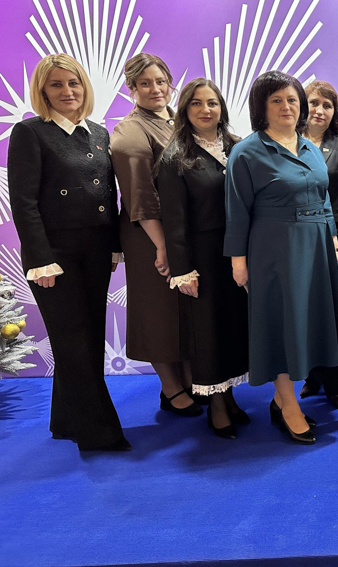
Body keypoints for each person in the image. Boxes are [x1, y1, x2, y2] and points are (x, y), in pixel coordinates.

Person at [8, 54, 129, 451]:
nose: (67, 91)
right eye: (56, 84)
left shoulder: (98, 133)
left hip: (95, 250)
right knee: (73, 339)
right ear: (42, 90)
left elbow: (108, 194)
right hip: (54, 254)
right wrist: (40, 258)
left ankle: (65, 420)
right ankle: (98, 433)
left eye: (73, 83)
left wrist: (114, 245)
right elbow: (23, 202)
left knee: (87, 337)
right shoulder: (31, 132)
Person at [224, 71, 338, 444]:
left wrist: (332, 239)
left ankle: (282, 401)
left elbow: (323, 199)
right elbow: (237, 211)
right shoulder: (246, 152)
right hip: (274, 251)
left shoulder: (310, 147)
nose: (286, 107)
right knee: (280, 327)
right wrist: (238, 261)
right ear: (261, 107)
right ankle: (289, 405)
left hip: (315, 248)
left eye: (292, 99)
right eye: (276, 100)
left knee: (304, 325)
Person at [156, 78, 250, 439]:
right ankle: (217, 406)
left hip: (238, 253)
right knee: (208, 332)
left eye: (212, 103)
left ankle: (231, 397)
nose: (205, 110)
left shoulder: (238, 147)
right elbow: (174, 221)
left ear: (222, 108)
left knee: (233, 327)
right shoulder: (175, 157)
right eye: (196, 103)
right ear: (184, 109)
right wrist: (183, 270)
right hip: (203, 257)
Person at [111, 53, 202, 418]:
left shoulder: (178, 120)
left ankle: (190, 377)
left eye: (161, 81)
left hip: (181, 230)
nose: (155, 89)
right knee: (158, 311)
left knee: (185, 309)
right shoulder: (131, 131)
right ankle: (170, 387)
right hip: (149, 233)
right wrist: (163, 245)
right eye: (145, 83)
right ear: (131, 88)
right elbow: (140, 195)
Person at [298, 81, 338, 412]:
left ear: (335, 111)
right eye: (313, 102)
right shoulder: (289, 140)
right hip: (299, 240)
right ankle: (313, 376)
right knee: (308, 311)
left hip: (337, 241)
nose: (319, 110)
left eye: (327, 104)